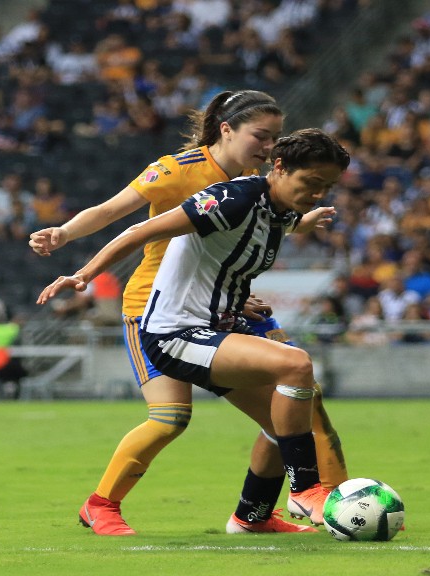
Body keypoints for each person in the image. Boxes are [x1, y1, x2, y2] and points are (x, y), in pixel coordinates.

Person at [32, 110, 349, 535]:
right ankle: (306, 490)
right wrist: (84, 273)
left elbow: (261, 233)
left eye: (326, 187)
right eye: (311, 184)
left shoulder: (280, 210)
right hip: (173, 331)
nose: (317, 193)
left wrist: (301, 221)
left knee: (281, 422)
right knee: (291, 367)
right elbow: (136, 231)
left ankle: (251, 517)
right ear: (277, 166)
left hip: (215, 326)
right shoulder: (227, 197)